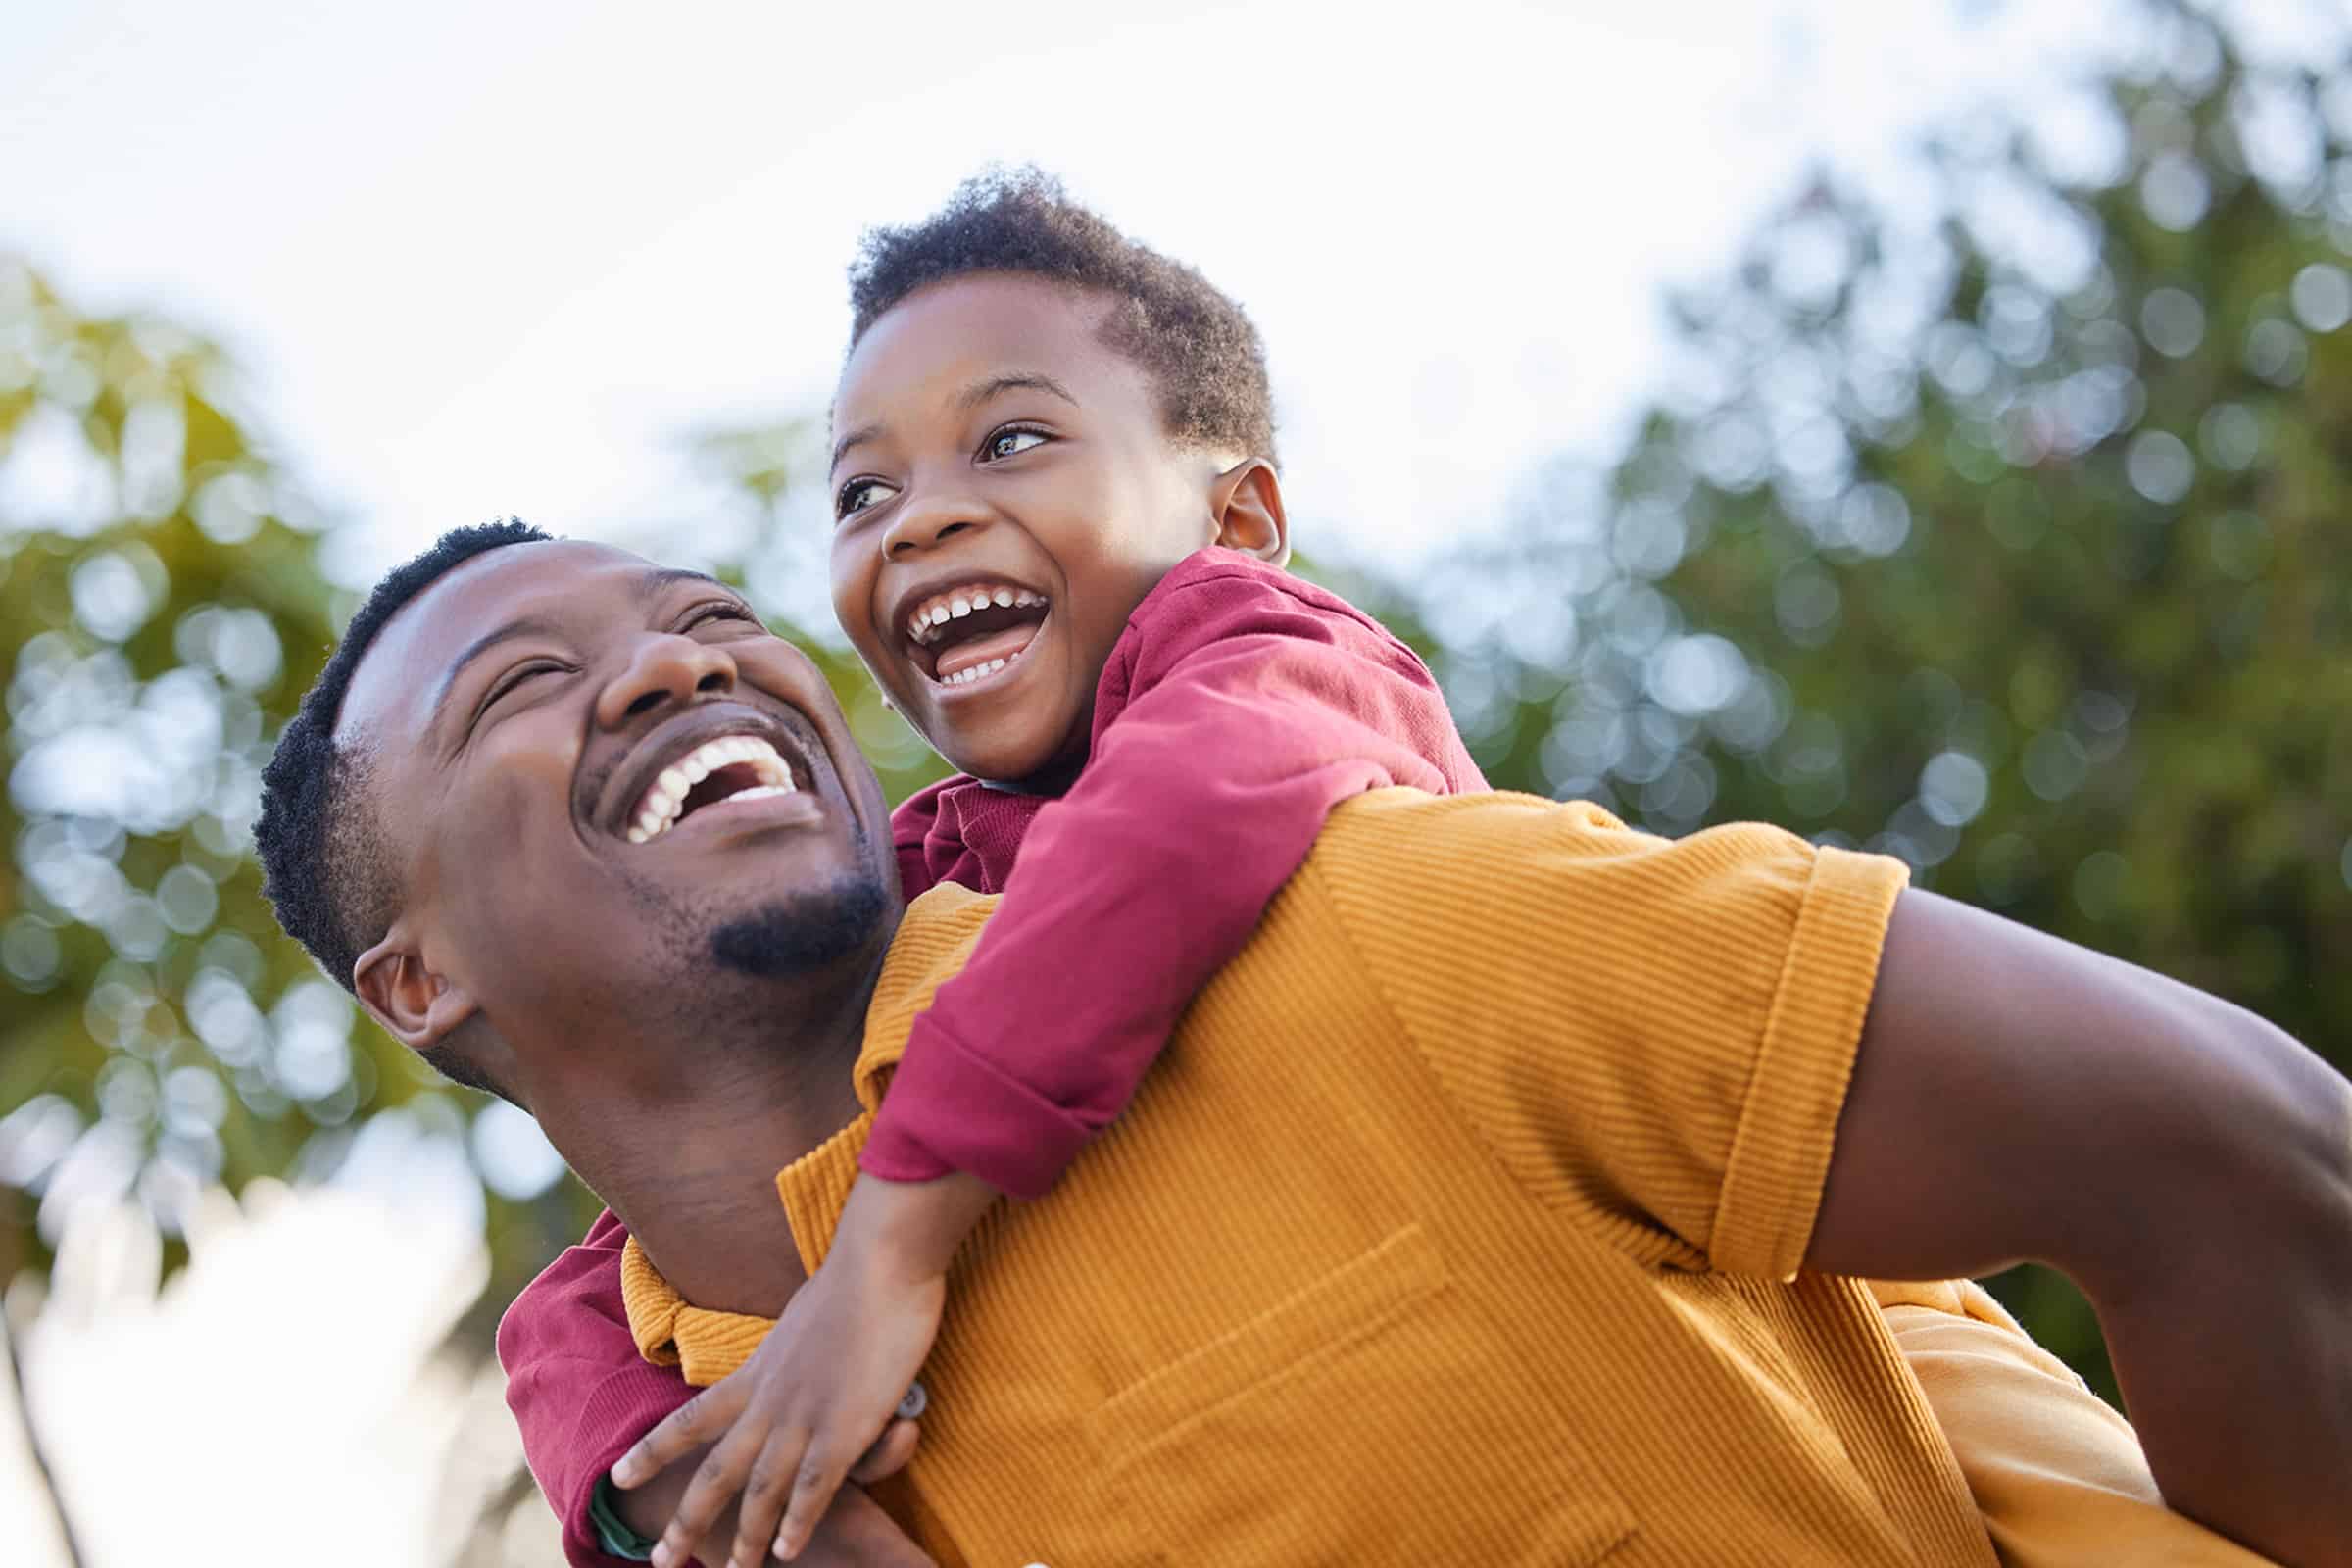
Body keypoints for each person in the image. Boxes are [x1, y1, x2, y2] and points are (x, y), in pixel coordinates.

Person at [254, 527, 2350, 1566]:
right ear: (413, 977)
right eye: (531, 677)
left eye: (704, 608)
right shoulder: (675, 1473)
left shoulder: (1335, 932)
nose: (680, 661)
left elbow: (2250, 1151)